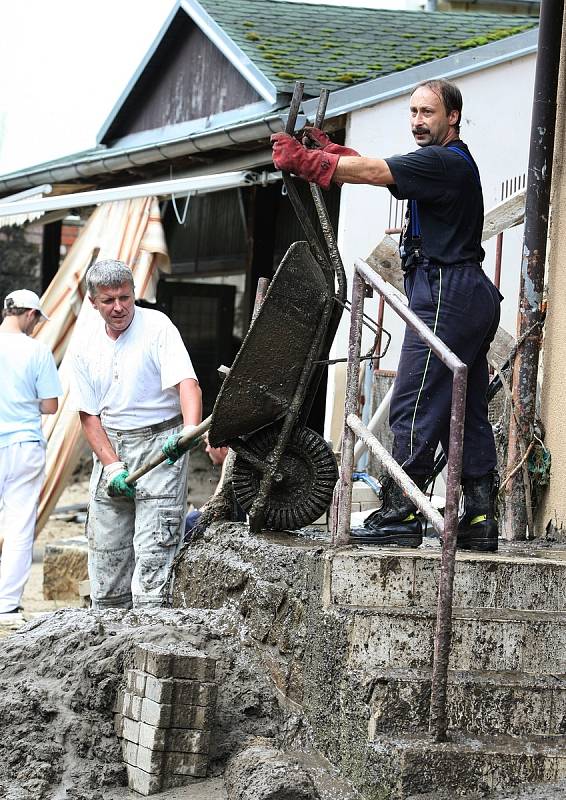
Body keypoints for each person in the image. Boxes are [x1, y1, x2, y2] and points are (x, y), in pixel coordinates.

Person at [271, 78, 501, 552]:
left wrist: (314, 163)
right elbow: (389, 173)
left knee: (414, 400)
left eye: (428, 113)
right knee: (469, 413)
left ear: (452, 117)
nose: (418, 121)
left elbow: (376, 172)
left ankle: (400, 513)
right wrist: (336, 151)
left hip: (446, 292)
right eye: (413, 112)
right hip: (468, 294)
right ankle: (478, 516)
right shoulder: (444, 163)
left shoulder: (442, 160)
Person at [70, 259, 202, 609]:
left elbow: (187, 383)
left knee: (155, 551)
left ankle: (148, 631)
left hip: (161, 446)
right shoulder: (84, 345)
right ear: (93, 302)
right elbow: (89, 415)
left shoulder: (157, 327)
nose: (119, 307)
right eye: (109, 300)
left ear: (134, 293)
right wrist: (112, 466)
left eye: (125, 298)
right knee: (106, 549)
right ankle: (107, 631)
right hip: (113, 446)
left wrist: (189, 430)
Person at [0, 289, 62, 614]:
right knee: (19, 527)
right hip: (24, 445)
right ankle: (6, 604)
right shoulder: (37, 351)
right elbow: (50, 405)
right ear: (31, 315)